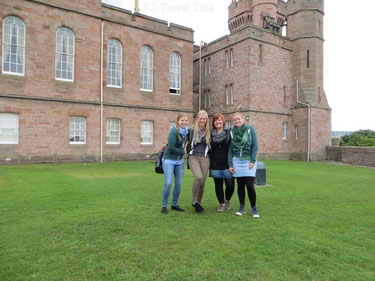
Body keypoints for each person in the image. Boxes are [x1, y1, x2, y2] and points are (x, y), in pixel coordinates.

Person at [228, 112, 260, 218]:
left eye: (238, 119)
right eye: (235, 120)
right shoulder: (232, 132)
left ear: (243, 120)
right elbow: (230, 150)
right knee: (240, 186)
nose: (237, 121)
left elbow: (255, 146)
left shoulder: (250, 130)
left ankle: (254, 208)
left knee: (250, 185)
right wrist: (230, 164)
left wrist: (253, 160)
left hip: (248, 161)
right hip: (236, 161)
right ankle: (242, 207)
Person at [161, 114, 189, 214]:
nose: (184, 122)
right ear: (178, 121)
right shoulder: (173, 131)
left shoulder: (187, 132)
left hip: (180, 161)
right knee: (168, 183)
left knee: (178, 184)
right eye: (182, 120)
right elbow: (172, 147)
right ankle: (164, 206)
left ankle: (174, 204)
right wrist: (183, 152)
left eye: (186, 121)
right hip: (169, 160)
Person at [186, 110, 211, 213]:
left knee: (203, 182)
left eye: (204, 119)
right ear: (197, 119)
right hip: (193, 157)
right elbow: (183, 140)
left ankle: (198, 203)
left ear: (206, 120)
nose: (202, 120)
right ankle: (194, 200)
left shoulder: (209, 131)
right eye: (200, 118)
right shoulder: (191, 130)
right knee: (198, 177)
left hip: (205, 158)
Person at [209, 113, 234, 212]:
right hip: (215, 162)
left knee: (230, 185)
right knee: (218, 185)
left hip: (227, 162)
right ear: (213, 123)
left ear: (223, 122)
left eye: (219, 120)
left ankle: (227, 200)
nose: (217, 122)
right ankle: (221, 203)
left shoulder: (229, 132)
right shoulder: (210, 133)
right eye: (215, 120)